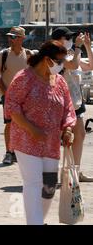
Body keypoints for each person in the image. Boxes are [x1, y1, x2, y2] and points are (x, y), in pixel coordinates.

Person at [5, 40, 76, 225]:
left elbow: (68, 107)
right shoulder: (23, 78)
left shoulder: (59, 81)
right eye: (59, 61)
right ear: (47, 59)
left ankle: (38, 220)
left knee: (49, 187)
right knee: (33, 183)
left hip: (51, 142)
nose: (61, 65)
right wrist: (32, 129)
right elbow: (12, 107)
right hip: (26, 139)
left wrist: (68, 128)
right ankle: (34, 222)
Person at [52, 27, 93, 183]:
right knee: (60, 139)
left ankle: (75, 171)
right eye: (67, 38)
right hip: (61, 104)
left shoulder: (72, 54)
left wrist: (87, 46)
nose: (70, 40)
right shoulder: (55, 56)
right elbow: (74, 65)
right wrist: (77, 47)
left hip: (76, 102)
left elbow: (90, 65)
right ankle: (60, 173)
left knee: (80, 135)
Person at [0, 27, 33, 165]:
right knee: (10, 124)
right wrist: (5, 91)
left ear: (22, 38)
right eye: (10, 36)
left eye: (14, 37)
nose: (10, 39)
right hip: (9, 96)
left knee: (25, 124)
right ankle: (9, 152)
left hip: (26, 97)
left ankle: (21, 152)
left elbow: (34, 75)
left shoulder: (29, 55)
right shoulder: (3, 54)